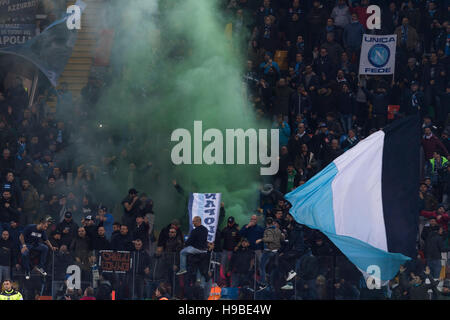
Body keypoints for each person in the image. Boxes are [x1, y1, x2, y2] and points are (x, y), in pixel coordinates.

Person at [256, 217, 284, 289]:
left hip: (268, 251)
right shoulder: (277, 230)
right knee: (270, 269)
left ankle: (263, 283)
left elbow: (270, 239)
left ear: (267, 224)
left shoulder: (268, 230)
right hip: (275, 252)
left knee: (263, 267)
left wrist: (260, 240)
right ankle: (271, 285)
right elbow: (282, 239)